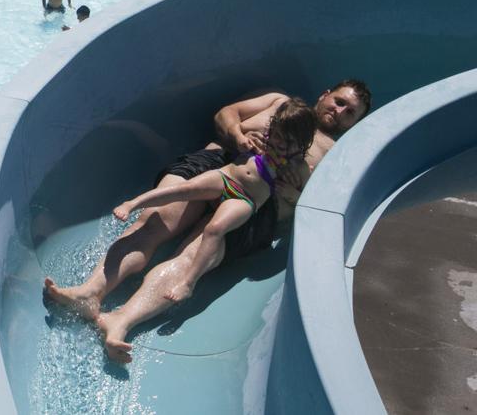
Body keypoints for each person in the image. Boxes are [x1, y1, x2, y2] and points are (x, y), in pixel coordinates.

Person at [42, 80, 372, 363]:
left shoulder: (336, 157)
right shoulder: (278, 101)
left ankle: (120, 320)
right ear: (325, 94)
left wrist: (291, 192)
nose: (340, 111)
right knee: (154, 221)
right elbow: (224, 115)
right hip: (221, 165)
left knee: (192, 257)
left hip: (258, 207)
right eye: (339, 101)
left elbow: (318, 213)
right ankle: (89, 292)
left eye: (350, 113)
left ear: (355, 123)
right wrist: (239, 135)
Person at [111, 99, 317, 305]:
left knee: (215, 229)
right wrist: (240, 137)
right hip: (225, 177)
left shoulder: (298, 168)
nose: (280, 143)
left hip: (245, 199)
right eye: (278, 135)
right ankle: (133, 203)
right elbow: (227, 122)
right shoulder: (262, 139)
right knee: (183, 189)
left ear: (301, 145)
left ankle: (188, 282)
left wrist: (291, 193)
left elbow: (308, 205)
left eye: (288, 142)